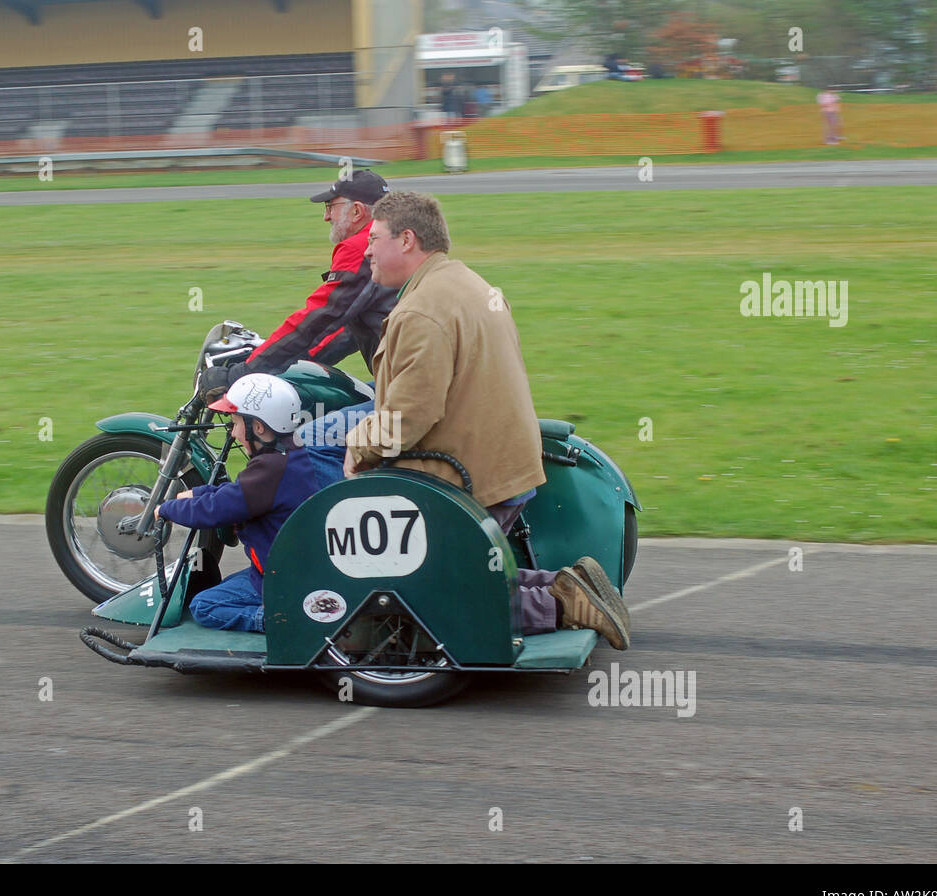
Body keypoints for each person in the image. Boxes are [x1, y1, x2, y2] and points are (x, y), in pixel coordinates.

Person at [342, 192, 631, 650]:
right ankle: (564, 581)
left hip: (464, 475)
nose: (367, 250)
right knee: (465, 566)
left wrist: (357, 446)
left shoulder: (421, 311)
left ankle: (562, 605)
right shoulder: (473, 285)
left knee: (426, 596)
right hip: (504, 466)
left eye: (374, 238)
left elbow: (407, 420)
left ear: (407, 240)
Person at [198, 169, 399, 402]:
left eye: (330, 206)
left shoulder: (360, 247)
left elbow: (316, 318)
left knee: (313, 435)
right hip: (415, 378)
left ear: (356, 211)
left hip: (406, 389)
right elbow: (346, 333)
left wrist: (244, 372)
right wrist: (295, 363)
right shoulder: (397, 239)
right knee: (334, 399)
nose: (326, 217)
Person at [155, 374, 325, 632]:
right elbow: (239, 493)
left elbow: (216, 510)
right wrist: (198, 492)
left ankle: (280, 622)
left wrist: (166, 509)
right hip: (287, 571)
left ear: (258, 427)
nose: (233, 433)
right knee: (222, 589)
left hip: (281, 581)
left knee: (204, 606)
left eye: (235, 423)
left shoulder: (269, 468)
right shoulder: (289, 457)